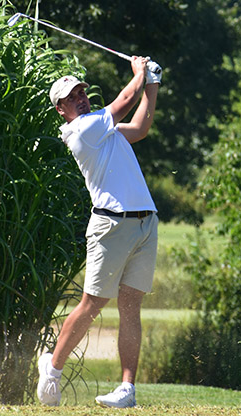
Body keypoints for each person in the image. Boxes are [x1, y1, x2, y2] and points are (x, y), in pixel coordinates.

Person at [37, 56, 162, 409]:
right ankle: (53, 369)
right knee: (93, 304)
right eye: (71, 96)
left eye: (82, 91)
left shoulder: (102, 128)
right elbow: (124, 103)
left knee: (131, 306)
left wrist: (152, 85)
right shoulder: (82, 131)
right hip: (111, 225)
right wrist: (139, 74)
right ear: (61, 109)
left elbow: (139, 128)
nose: (80, 97)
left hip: (144, 223)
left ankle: (126, 389)